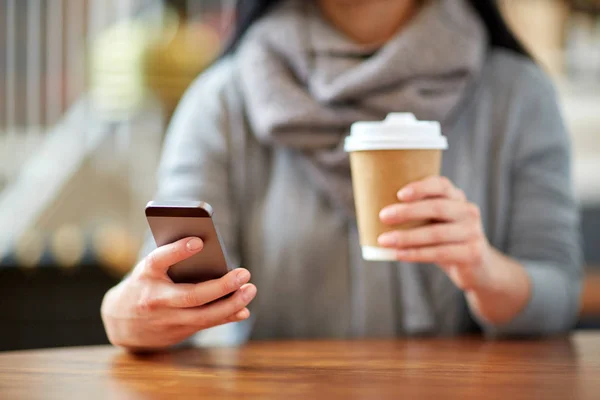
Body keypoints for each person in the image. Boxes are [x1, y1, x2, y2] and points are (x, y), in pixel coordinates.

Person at [101, 0, 582, 351]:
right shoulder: (222, 101)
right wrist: (124, 317)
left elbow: (559, 297)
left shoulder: (519, 96)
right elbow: (163, 287)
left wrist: (484, 271)